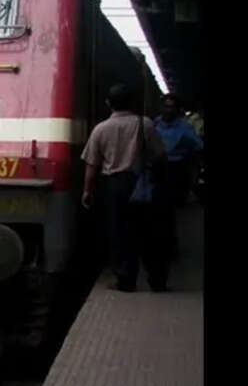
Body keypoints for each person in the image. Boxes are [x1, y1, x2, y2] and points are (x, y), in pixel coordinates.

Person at [81, 84, 168, 292]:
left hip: (115, 186)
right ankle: (157, 280)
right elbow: (160, 156)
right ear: (132, 103)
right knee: (149, 232)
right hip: (142, 184)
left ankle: (126, 280)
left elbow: (92, 165)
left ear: (108, 103)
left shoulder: (100, 129)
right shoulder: (145, 124)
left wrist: (87, 191)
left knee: (120, 233)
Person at [155, 94, 204, 207]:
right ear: (161, 107)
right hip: (159, 168)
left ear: (177, 109)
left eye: (172, 107)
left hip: (177, 169)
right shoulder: (155, 123)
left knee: (175, 204)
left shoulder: (185, 126)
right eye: (166, 106)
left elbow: (198, 145)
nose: (168, 110)